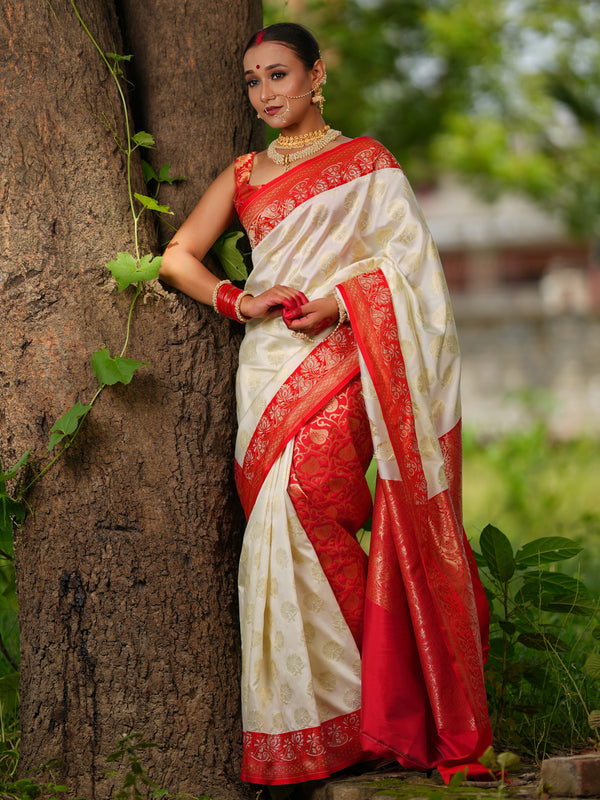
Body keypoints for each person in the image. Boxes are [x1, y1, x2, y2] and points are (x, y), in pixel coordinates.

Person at [159, 22, 493, 789]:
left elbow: (415, 275)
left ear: (315, 78)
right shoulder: (243, 174)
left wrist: (343, 303)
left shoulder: (368, 164)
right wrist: (238, 301)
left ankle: (379, 711)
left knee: (307, 508)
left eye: (278, 75)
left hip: (345, 365)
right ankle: (329, 725)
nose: (266, 93)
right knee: (273, 531)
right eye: (253, 81)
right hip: (268, 368)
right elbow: (179, 254)